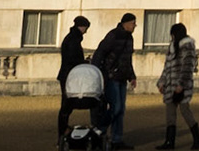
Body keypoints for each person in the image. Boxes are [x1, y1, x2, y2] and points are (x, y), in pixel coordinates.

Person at [93, 14, 139, 147]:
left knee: (120, 109)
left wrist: (132, 76)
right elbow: (100, 52)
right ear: (125, 23)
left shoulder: (129, 38)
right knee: (116, 107)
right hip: (111, 77)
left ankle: (117, 139)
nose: (135, 26)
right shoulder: (113, 35)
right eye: (133, 23)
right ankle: (100, 130)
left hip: (123, 77)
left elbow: (127, 60)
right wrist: (98, 74)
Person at [156, 21, 199, 149]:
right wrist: (162, 82)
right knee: (170, 114)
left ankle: (197, 139)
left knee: (185, 111)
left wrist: (181, 84)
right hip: (170, 85)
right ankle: (169, 142)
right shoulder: (172, 47)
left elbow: (188, 67)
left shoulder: (187, 46)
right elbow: (167, 67)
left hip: (181, 85)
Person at [56, 16, 94, 142]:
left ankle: (63, 131)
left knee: (66, 105)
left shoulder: (72, 38)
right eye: (86, 28)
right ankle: (62, 132)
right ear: (81, 26)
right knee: (66, 105)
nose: (86, 31)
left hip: (68, 74)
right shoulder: (73, 39)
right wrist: (85, 62)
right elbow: (72, 59)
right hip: (69, 75)